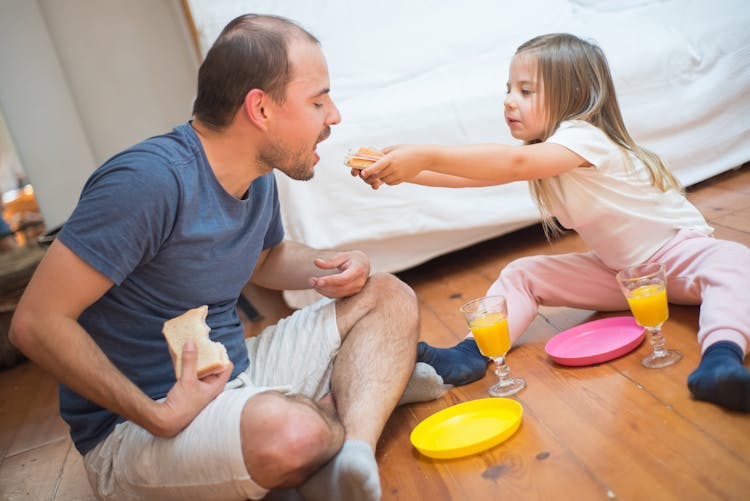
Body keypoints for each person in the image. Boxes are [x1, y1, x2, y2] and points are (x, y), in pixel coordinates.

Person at [9, 14, 444, 501]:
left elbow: (265, 260)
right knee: (292, 433)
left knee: (388, 295)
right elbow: (35, 323)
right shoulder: (146, 182)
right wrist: (159, 414)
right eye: (318, 100)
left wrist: (336, 264)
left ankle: (352, 453)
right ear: (260, 108)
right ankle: (354, 398)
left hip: (234, 375)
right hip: (139, 425)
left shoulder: (257, 173)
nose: (334, 115)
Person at [358, 33, 750, 413]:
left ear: (574, 95)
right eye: (508, 89)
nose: (509, 102)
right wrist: (403, 170)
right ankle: (470, 353)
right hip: (621, 275)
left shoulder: (586, 137)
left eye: (526, 92)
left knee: (735, 261)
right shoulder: (548, 156)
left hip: (679, 257)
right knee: (523, 273)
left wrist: (424, 154)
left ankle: (721, 358)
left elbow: (511, 165)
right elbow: (471, 177)